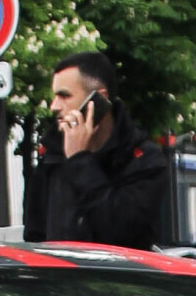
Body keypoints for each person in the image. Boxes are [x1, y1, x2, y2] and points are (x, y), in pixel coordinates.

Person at [22, 50, 167, 248]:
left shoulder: (144, 159)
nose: (54, 106)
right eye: (54, 96)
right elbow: (34, 236)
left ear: (97, 100)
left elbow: (123, 233)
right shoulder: (51, 157)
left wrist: (79, 161)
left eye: (64, 95)